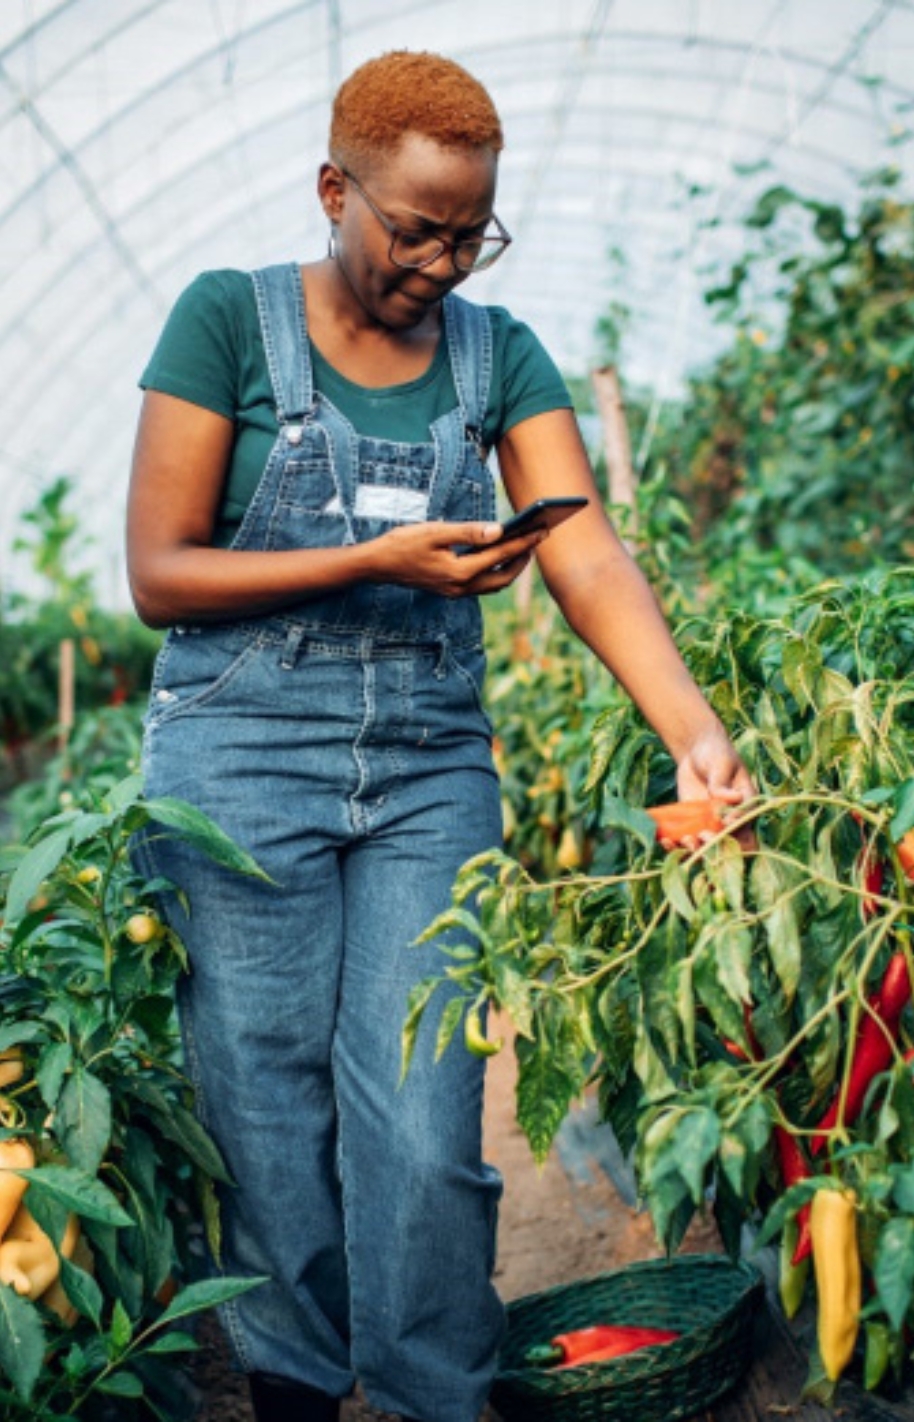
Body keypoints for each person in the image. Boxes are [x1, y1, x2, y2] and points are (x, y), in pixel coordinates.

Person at [126, 49, 753, 1422]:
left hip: (422, 767)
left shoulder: (495, 350)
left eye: (472, 232)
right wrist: (376, 560)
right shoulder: (227, 323)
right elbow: (160, 572)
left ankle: (428, 1392)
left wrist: (689, 724)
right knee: (263, 1103)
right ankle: (295, 1381)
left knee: (422, 1114)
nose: (444, 262)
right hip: (237, 761)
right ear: (332, 190)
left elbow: (580, 544)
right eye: (416, 229)